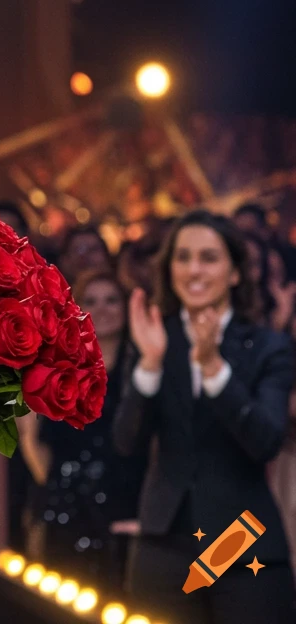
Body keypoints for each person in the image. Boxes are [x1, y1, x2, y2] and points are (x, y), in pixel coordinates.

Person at [114, 210, 296, 623]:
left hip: (243, 539)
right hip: (164, 543)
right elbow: (126, 442)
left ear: (235, 273)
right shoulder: (152, 337)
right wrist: (150, 365)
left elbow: (265, 441)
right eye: (183, 257)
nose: (194, 269)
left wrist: (213, 367)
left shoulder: (269, 346)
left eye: (209, 257)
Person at [17, 270, 144, 596]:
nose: (102, 309)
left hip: (127, 509)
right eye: (92, 301)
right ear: (77, 309)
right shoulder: (58, 370)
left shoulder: (144, 371)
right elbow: (34, 439)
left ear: (128, 306)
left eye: (112, 300)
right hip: (65, 508)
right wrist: (52, 490)